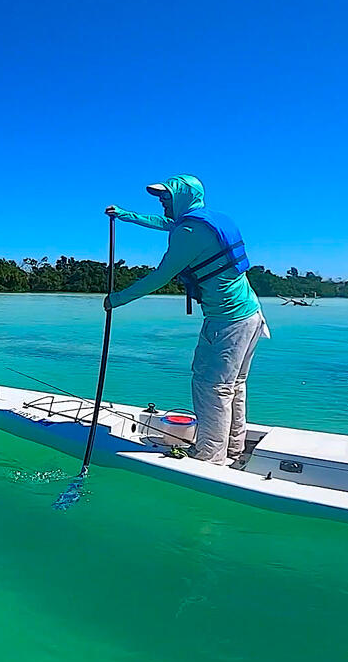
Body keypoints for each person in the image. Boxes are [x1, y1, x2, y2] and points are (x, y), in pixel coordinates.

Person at [103, 174, 269, 464]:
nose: (162, 202)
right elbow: (166, 223)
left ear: (183, 196)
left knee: (210, 386)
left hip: (227, 321)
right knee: (235, 384)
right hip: (251, 316)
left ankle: (209, 457)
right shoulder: (208, 221)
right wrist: (126, 216)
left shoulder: (189, 232)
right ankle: (233, 447)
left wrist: (117, 299)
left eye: (166, 197)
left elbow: (160, 276)